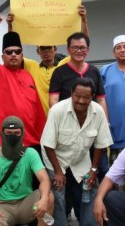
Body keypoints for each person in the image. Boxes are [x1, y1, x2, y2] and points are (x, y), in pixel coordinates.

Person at [41, 78, 113, 226]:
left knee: (91, 189)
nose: (81, 100)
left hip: (81, 158)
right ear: (71, 93)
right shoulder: (57, 110)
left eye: (86, 97)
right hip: (56, 159)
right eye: (77, 96)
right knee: (58, 195)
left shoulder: (98, 111)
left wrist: (94, 170)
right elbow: (48, 144)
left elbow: (101, 144)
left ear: (92, 96)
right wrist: (58, 172)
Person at [7, 6, 89, 115]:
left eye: (49, 48)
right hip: (38, 121)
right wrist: (10, 25)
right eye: (43, 48)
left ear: (55, 49)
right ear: (38, 52)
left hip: (61, 118)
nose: (46, 51)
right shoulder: (32, 66)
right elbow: (14, 48)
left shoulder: (62, 65)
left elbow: (82, 46)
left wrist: (83, 20)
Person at [0, 116, 54, 226]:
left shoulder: (30, 153)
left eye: (16, 133)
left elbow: (44, 178)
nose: (12, 136)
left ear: (22, 133)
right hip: (2, 206)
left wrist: (43, 199)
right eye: (9, 132)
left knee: (48, 196)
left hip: (27, 205)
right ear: (2, 133)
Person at [0, 14, 46, 148]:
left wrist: (43, 138)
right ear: (2, 56)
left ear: (22, 56)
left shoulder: (28, 76)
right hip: (5, 142)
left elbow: (38, 111)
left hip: (31, 141)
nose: (13, 54)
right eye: (9, 52)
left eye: (17, 51)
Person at [49, 32, 108, 117]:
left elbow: (101, 100)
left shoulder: (94, 71)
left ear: (88, 50)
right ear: (68, 50)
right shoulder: (59, 72)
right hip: (67, 121)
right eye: (75, 48)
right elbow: (53, 101)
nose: (79, 51)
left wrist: (105, 123)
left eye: (82, 48)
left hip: (92, 120)